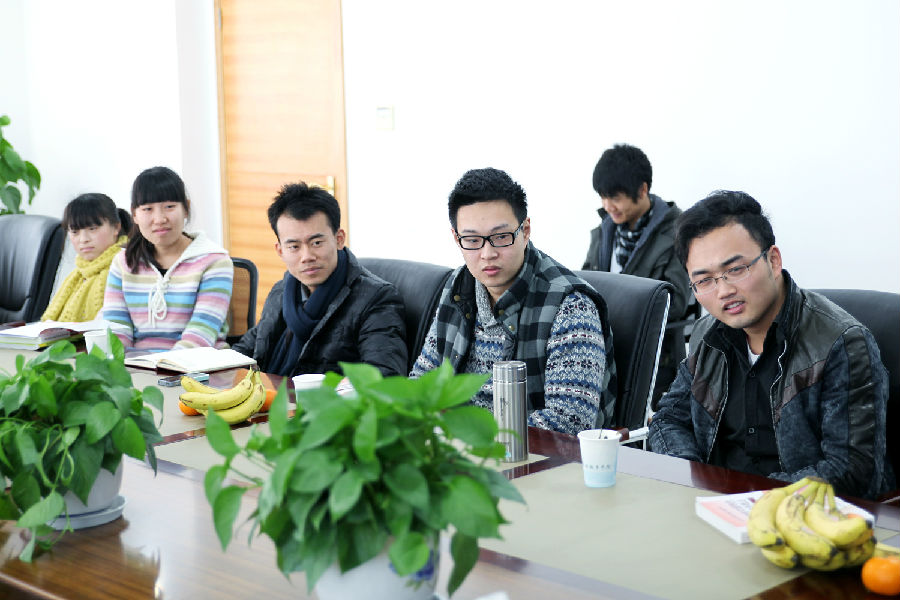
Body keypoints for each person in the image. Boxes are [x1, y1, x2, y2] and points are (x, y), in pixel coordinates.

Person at [648, 191, 893, 499]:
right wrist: (695, 478)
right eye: (705, 280)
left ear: (773, 260)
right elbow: (668, 419)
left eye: (735, 270)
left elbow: (852, 470)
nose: (723, 291)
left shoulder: (841, 343)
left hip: (798, 514)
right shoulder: (707, 335)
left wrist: (749, 497)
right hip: (714, 505)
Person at [410, 167, 616, 435]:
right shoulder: (458, 286)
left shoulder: (571, 305)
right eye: (472, 240)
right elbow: (421, 382)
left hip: (528, 456)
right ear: (456, 238)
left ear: (525, 230)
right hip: (454, 447)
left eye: (500, 237)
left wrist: (465, 429)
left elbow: (570, 421)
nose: (487, 253)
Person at [232, 182, 407, 376]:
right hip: (268, 393)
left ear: (339, 239)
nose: (307, 256)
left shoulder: (375, 299)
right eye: (294, 247)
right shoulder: (281, 291)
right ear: (280, 250)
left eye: (316, 243)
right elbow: (249, 348)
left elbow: (384, 376)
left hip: (324, 396)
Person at [583, 144, 691, 403]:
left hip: (654, 356)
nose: (608, 206)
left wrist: (611, 306)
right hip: (604, 351)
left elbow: (675, 303)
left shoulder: (677, 233)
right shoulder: (605, 231)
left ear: (642, 190)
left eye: (615, 197)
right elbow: (584, 284)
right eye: (603, 197)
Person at [103, 166, 234, 350]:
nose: (159, 219)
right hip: (138, 363)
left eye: (169, 207)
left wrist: (162, 366)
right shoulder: (123, 262)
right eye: (148, 209)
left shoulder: (215, 261)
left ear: (186, 208)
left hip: (199, 362)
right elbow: (116, 330)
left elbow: (200, 335)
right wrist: (119, 364)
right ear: (135, 215)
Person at [41, 193, 132, 322]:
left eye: (92, 229)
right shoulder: (79, 274)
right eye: (75, 232)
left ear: (116, 227)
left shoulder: (128, 267)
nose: (83, 239)